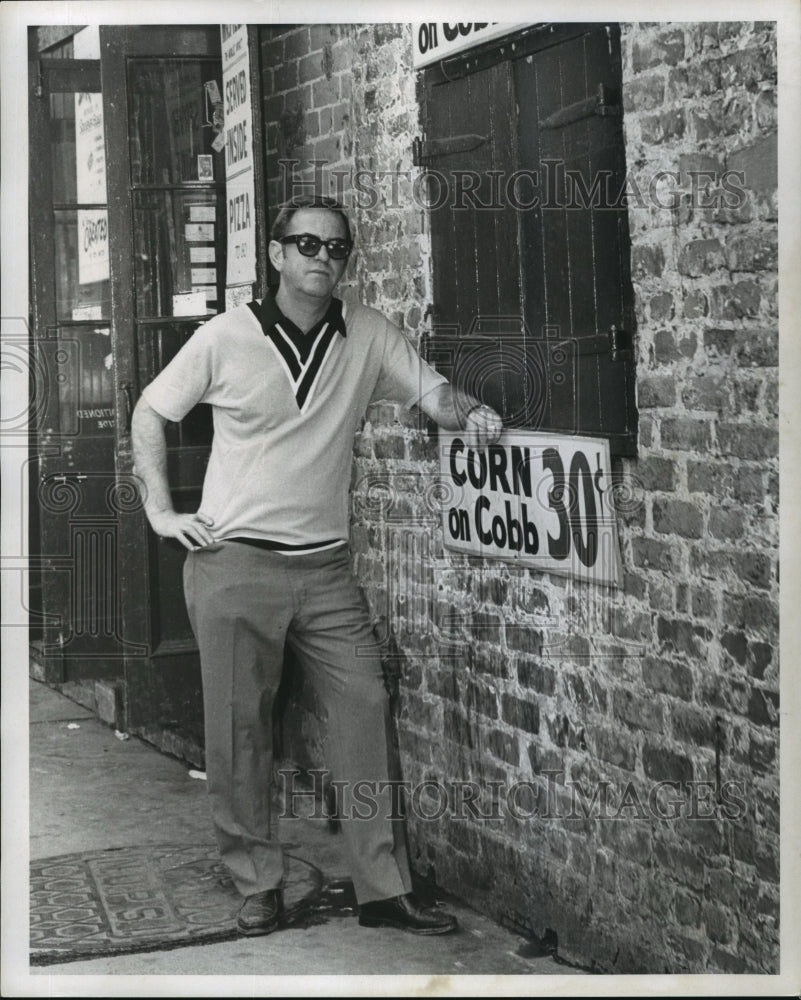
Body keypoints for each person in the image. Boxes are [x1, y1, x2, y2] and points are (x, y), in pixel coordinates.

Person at [131, 194, 503, 937]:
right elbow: (151, 410)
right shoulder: (225, 337)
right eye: (307, 245)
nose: (323, 260)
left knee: (365, 709)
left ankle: (383, 889)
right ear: (276, 255)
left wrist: (475, 415)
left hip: (326, 571)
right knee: (240, 732)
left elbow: (433, 393)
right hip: (234, 563)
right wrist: (161, 513)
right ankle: (256, 882)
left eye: (337, 249)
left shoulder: (365, 334)